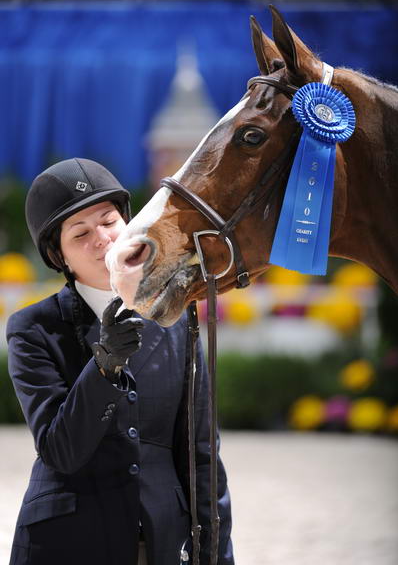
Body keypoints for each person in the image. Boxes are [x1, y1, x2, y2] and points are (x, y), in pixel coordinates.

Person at [7, 158, 234, 565]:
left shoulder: (177, 319)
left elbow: (201, 452)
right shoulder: (32, 329)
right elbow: (60, 451)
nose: (102, 239)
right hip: (67, 542)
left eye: (108, 221)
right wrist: (103, 366)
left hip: (161, 539)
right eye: (80, 234)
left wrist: (217, 555)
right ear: (59, 257)